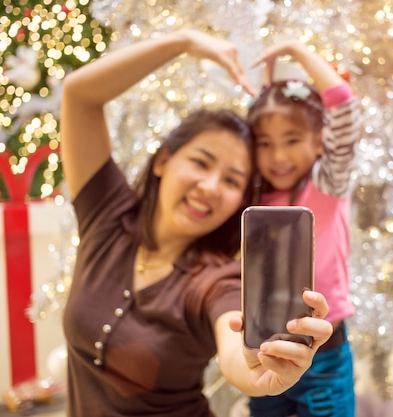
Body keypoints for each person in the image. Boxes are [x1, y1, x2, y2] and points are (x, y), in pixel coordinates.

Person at [59, 29, 333, 417]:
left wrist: (257, 370)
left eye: (232, 181)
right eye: (201, 163)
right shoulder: (106, 215)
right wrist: (183, 42)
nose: (210, 187)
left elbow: (233, 345)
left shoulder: (216, 280)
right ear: (163, 161)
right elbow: (79, 95)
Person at [245, 40, 362, 417]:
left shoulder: (326, 186)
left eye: (291, 141)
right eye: (265, 144)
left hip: (324, 355)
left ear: (318, 142)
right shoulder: (254, 199)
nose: (278, 156)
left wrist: (299, 52)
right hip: (266, 350)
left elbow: (344, 107)